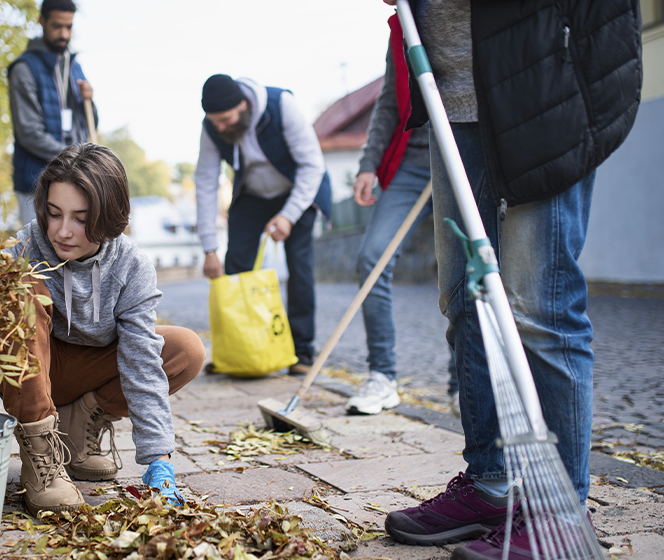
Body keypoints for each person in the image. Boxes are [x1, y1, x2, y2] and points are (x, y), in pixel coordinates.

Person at [379, 1, 642, 559]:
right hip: (452, 101)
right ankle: (491, 486)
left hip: (544, 78)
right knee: (466, 304)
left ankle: (561, 514)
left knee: (539, 308)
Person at [0, 143, 206, 514]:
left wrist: (159, 457)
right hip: (32, 372)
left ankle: (79, 430)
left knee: (185, 348)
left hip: (88, 370)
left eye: (80, 218)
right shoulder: (24, 246)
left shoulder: (132, 267)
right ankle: (41, 457)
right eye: (54, 213)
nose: (62, 231)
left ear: (108, 216)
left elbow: (142, 362)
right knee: (20, 288)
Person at [346, 15, 458, 416]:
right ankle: (383, 376)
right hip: (410, 162)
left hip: (463, 153)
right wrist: (367, 164)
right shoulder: (403, 24)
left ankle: (463, 383)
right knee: (372, 257)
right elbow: (390, 102)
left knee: (461, 269)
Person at [194, 74, 331, 375]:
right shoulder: (212, 126)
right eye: (214, 121)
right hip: (253, 195)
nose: (220, 127)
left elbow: (312, 165)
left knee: (300, 266)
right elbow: (205, 182)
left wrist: (289, 215)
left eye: (225, 119)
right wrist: (208, 248)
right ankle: (238, 348)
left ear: (243, 105)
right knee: (236, 264)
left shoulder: (282, 105)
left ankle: (302, 352)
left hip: (298, 191)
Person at [9, 0, 96, 226]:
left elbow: (89, 125)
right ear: (42, 21)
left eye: (69, 27)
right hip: (35, 185)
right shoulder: (24, 69)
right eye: (57, 26)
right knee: (39, 257)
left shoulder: (74, 66)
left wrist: (90, 101)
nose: (64, 34)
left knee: (71, 255)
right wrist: (75, 158)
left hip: (74, 180)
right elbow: (30, 134)